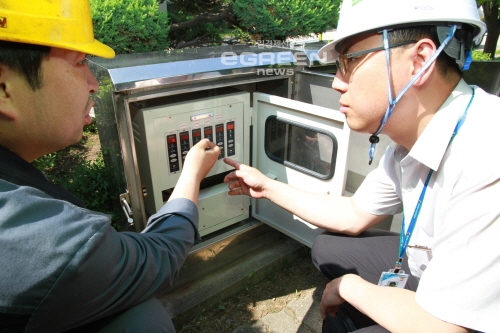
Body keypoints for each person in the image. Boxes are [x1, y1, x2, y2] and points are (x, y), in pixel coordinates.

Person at [223, 0, 499, 332]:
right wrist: (266, 187)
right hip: (429, 267)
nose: (337, 82)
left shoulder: (487, 157)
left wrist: (348, 287)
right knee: (327, 248)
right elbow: (354, 214)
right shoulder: (409, 142)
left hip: (457, 322)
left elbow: (445, 326)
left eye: (349, 62)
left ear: (420, 61)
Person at [0, 1, 220, 332]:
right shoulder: (37, 242)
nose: (93, 82)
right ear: (4, 89)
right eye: (78, 63)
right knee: (142, 320)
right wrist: (191, 173)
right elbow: (158, 257)